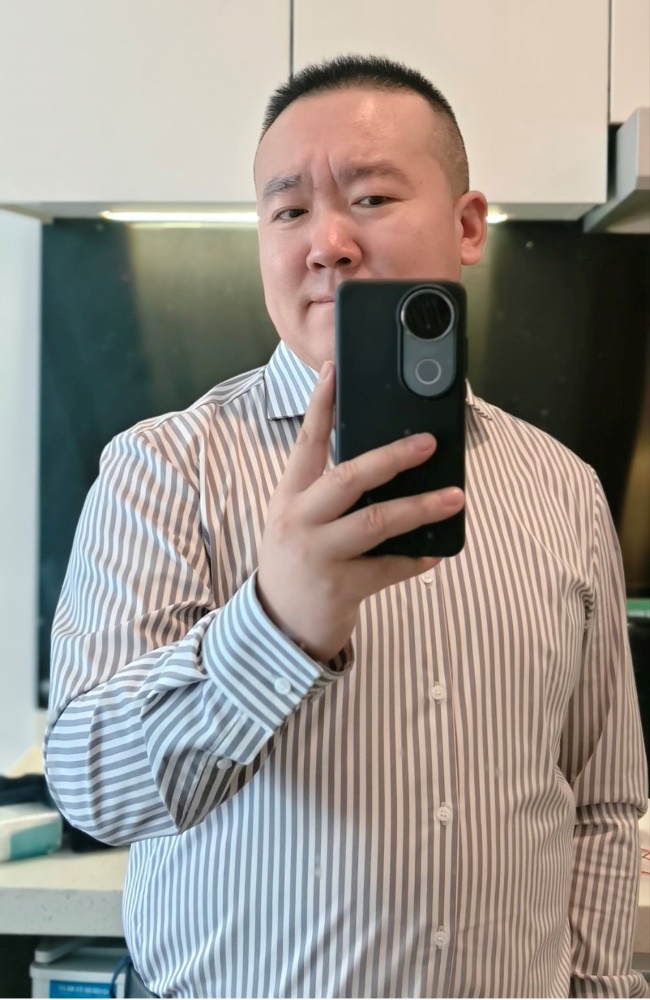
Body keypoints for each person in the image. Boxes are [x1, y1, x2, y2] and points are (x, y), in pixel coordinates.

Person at [45, 55, 649, 998]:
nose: (326, 242)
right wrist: (277, 624)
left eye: (370, 197)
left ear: (467, 225)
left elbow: (603, 805)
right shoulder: (163, 470)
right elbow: (94, 791)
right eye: (288, 210)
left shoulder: (563, 489)